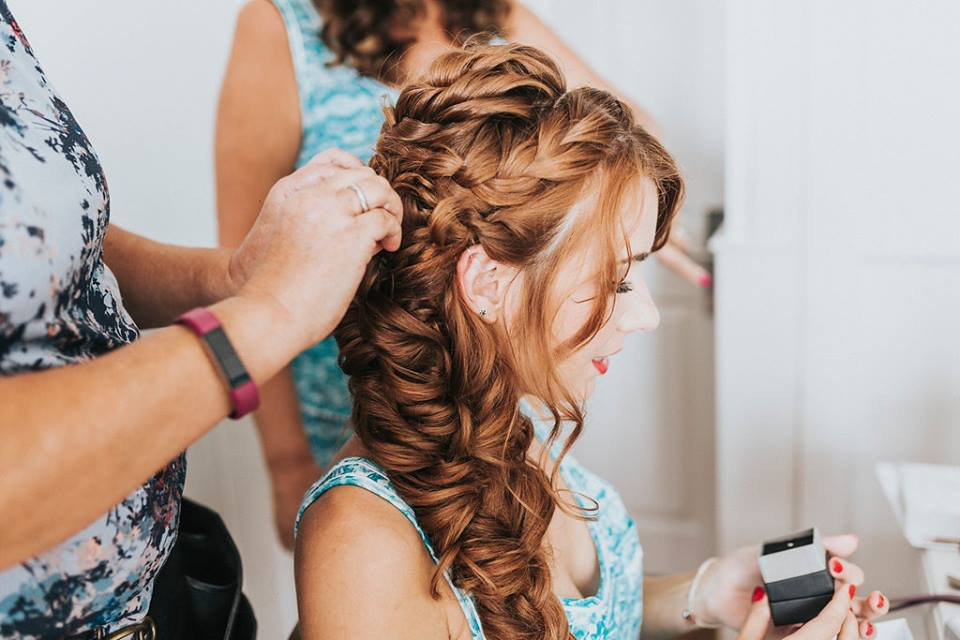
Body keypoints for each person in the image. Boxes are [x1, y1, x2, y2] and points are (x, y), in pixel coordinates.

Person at [292, 43, 889, 640]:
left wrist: (704, 591)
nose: (646, 316)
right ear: (486, 282)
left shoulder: (509, 426)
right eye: (617, 278)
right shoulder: (359, 541)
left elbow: (574, 617)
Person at [216, 0, 711, 548]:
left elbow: (628, 139)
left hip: (489, 377)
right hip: (356, 374)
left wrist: (626, 237)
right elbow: (251, 269)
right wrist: (286, 465)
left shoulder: (497, 14)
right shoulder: (280, 25)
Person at [0, 2, 401, 637]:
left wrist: (230, 278)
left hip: (162, 592)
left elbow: (46, 250)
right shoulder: (361, 537)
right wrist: (266, 316)